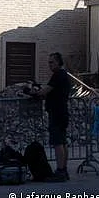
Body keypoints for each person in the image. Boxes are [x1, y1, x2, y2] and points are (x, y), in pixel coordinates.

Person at [31, 52, 71, 182]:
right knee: (62, 142)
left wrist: (33, 92)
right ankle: (63, 170)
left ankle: (60, 171)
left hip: (57, 112)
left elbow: (45, 91)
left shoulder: (58, 74)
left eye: (52, 62)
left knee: (58, 142)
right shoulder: (62, 74)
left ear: (59, 62)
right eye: (49, 62)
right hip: (61, 111)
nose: (49, 65)